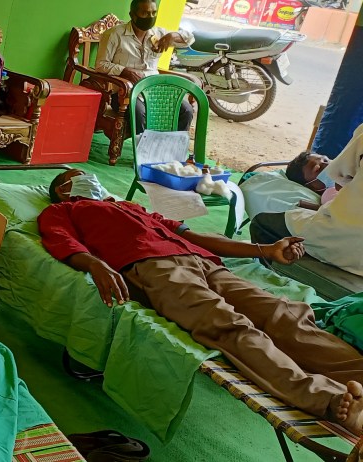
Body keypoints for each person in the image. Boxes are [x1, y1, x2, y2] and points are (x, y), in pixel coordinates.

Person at [39, 168, 363, 434]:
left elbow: (194, 237)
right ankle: (331, 401)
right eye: (77, 176)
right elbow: (61, 240)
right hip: (154, 269)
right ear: (64, 190)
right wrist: (96, 265)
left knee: (283, 315)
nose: (89, 178)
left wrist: (265, 250)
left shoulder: (133, 208)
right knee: (228, 325)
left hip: (205, 262)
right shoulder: (63, 210)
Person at [251, 124, 363, 276]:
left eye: (325, 160)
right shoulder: (325, 193)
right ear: (308, 185)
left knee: (262, 223)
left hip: (348, 234)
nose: (326, 165)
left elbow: (340, 180)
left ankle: (270, 275)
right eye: (317, 169)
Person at [97, 0, 196, 134]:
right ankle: (144, 147)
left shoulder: (159, 34)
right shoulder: (114, 34)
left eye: (153, 13)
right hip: (125, 94)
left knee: (186, 110)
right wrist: (126, 71)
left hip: (155, 92)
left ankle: (172, 146)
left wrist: (173, 35)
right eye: (145, 13)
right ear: (133, 15)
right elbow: (101, 64)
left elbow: (190, 39)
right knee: (139, 112)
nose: (150, 17)